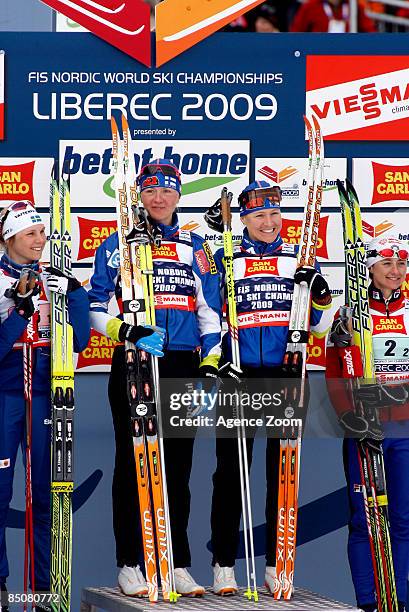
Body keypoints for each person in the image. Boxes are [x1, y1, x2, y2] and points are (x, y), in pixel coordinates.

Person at [87, 159, 222, 597]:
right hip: (132, 358)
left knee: (178, 466)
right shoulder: (117, 244)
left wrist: (209, 361)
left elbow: (211, 311)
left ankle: (176, 562)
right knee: (132, 463)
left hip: (181, 361)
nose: (158, 198)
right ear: (138, 197)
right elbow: (95, 304)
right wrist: (125, 330)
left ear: (179, 196)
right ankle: (130, 563)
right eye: (149, 191)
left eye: (166, 191)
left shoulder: (195, 246)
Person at [207, 181, 333, 595]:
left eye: (275, 214)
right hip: (239, 376)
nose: (269, 222)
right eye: (259, 215)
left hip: (286, 375)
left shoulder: (298, 258)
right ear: (242, 219)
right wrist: (220, 354)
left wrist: (318, 293)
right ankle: (223, 563)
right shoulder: (227, 256)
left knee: (283, 473)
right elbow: (211, 312)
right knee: (230, 474)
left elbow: (318, 325)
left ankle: (277, 563)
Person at [0, 200, 90, 612]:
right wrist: (18, 313)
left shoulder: (54, 278)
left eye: (42, 232)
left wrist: (73, 294)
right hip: (5, 397)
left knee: (46, 496)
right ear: (9, 238)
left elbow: (81, 340)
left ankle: (42, 591)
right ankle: (2, 590)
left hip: (45, 396)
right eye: (30, 233)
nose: (39, 240)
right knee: (0, 495)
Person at [326, 235, 409, 612]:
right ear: (370, 269)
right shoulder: (349, 315)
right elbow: (334, 373)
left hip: (405, 431)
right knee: (364, 520)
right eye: (387, 265)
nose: (396, 272)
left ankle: (401, 599)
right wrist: (350, 416)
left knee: (403, 520)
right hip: (365, 430)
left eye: (402, 265)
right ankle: (368, 602)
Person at [290, 0, 376, 32]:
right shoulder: (310, 6)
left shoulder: (354, 6)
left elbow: (370, 32)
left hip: (346, 54)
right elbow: (296, 33)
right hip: (317, 56)